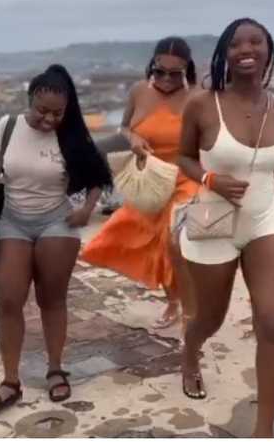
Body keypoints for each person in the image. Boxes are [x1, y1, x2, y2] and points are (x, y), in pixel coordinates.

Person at [175, 18, 274, 437]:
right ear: (224, 53)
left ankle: (263, 431)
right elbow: (184, 157)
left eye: (256, 41)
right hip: (213, 218)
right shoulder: (202, 103)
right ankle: (191, 349)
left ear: (268, 50)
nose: (246, 49)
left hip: (266, 217)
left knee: (272, 322)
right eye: (236, 43)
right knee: (209, 318)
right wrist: (210, 179)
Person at [0, 64, 112, 410]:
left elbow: (98, 175)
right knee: (8, 299)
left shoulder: (72, 135)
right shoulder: (6, 128)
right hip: (12, 222)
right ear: (29, 100)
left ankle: (55, 369)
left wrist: (86, 210)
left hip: (56, 222)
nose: (49, 119)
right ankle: (10, 380)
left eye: (57, 113)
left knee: (52, 298)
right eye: (42, 110)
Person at [82, 37, 200, 329]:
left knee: (172, 239)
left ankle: (188, 306)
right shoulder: (138, 91)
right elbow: (124, 126)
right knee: (141, 240)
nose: (167, 79)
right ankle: (174, 300)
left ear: (187, 71)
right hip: (150, 179)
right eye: (160, 71)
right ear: (152, 66)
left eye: (176, 73)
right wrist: (133, 137)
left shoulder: (198, 97)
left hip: (185, 177)